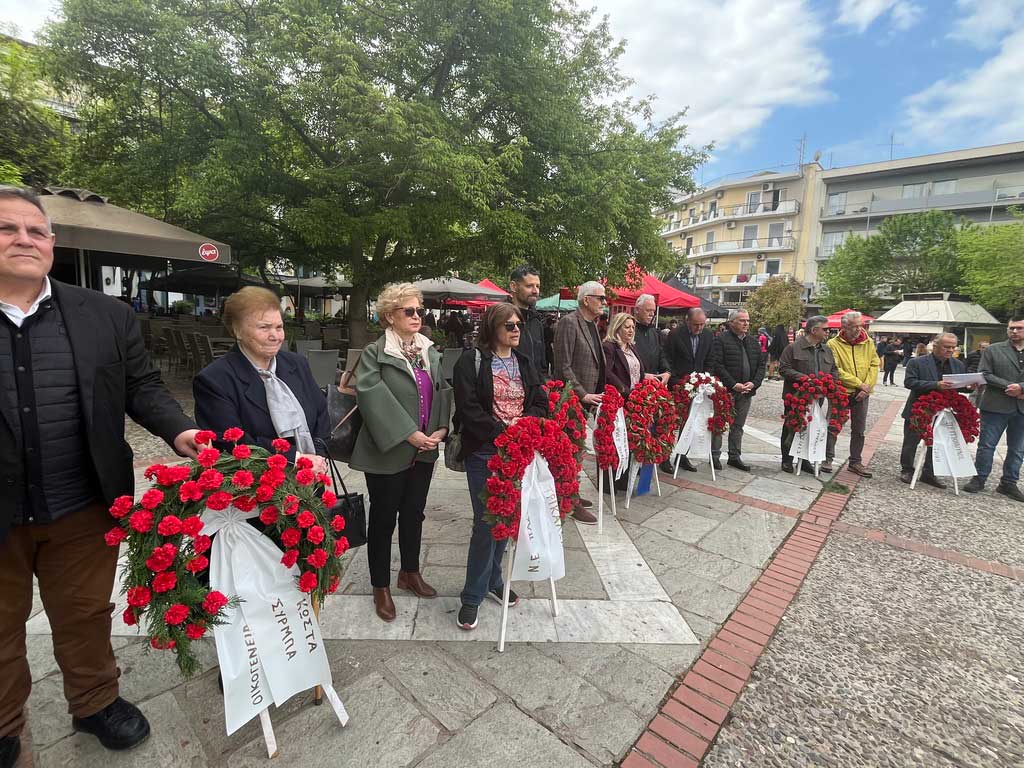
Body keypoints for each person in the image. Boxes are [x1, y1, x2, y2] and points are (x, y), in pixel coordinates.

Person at [0, 186, 201, 763]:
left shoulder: (104, 315)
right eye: (8, 230)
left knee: (86, 612)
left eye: (36, 231)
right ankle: (3, 723)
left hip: (82, 502)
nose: (24, 240)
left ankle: (94, 702)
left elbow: (141, 387)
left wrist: (179, 432)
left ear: (52, 244)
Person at [349, 283, 452, 622]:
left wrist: (439, 429)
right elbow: (371, 394)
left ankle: (409, 572)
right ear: (389, 316)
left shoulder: (427, 350)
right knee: (383, 518)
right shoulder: (375, 353)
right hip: (387, 450)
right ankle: (381, 586)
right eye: (409, 311)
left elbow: (442, 389)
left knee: (413, 513)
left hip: (423, 451)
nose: (416, 317)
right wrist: (410, 434)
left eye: (419, 311)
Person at [452, 303, 548, 630]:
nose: (517, 329)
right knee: (486, 521)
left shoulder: (523, 361)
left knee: (506, 518)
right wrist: (501, 431)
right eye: (510, 325)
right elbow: (467, 408)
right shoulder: (472, 361)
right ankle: (472, 596)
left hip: (518, 450)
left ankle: (493, 579)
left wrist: (524, 424)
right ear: (493, 328)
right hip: (485, 449)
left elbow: (540, 401)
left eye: (518, 324)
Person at [193, 287, 329, 473]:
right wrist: (297, 460)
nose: (275, 336)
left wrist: (318, 458)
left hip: (312, 478)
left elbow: (321, 412)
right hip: (258, 488)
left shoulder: (297, 364)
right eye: (264, 327)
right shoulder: (214, 380)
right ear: (237, 330)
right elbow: (230, 442)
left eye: (279, 327)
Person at [552, 281, 608, 524]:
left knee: (576, 450)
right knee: (570, 451)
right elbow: (562, 365)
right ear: (586, 299)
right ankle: (569, 500)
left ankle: (570, 493)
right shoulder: (569, 322)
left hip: (586, 401)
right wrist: (583, 393)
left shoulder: (593, 325)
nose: (604, 302)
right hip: (572, 399)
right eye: (601, 298)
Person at [964, 319, 1024, 501]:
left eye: (1019, 328)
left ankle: (1009, 483)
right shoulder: (993, 349)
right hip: (995, 405)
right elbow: (985, 374)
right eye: (1011, 328)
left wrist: (1021, 388)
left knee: (1018, 449)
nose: (1014, 331)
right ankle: (979, 478)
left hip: (1021, 407)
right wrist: (1010, 387)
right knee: (987, 445)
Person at [899, 333, 965, 488]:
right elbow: (910, 382)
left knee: (937, 442)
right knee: (911, 441)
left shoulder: (958, 364)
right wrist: (936, 385)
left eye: (953, 347)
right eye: (946, 347)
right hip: (919, 408)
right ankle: (907, 469)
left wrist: (969, 386)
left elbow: (959, 386)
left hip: (943, 410)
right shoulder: (917, 362)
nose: (950, 350)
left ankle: (929, 473)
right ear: (935, 346)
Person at [778, 316, 839, 474]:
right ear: (814, 330)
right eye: (825, 329)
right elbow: (784, 369)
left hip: (817, 397)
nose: (828, 332)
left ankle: (804, 459)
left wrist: (829, 384)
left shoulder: (827, 350)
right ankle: (787, 460)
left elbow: (833, 370)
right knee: (791, 426)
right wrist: (805, 379)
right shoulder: (793, 348)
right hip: (796, 396)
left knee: (812, 427)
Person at [708, 309, 765, 471]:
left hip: (747, 391)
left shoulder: (753, 342)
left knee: (738, 425)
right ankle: (714, 455)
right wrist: (733, 384)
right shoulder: (721, 340)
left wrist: (754, 383)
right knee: (719, 424)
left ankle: (734, 456)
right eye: (742, 320)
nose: (746, 323)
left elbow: (761, 365)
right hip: (727, 391)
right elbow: (718, 365)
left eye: (747, 320)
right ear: (731, 322)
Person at [827, 311, 879, 477]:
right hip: (842, 391)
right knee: (834, 425)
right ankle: (827, 458)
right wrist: (858, 384)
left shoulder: (868, 342)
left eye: (860, 325)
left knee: (859, 429)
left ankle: (855, 461)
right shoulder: (833, 344)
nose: (858, 329)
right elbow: (835, 369)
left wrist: (867, 388)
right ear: (844, 327)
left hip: (862, 394)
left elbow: (874, 364)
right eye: (854, 326)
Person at [665, 307, 714, 472]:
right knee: (671, 422)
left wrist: (705, 378)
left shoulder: (707, 335)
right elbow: (667, 359)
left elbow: (709, 358)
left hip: (697, 386)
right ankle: (665, 458)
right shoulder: (675, 334)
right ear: (687, 321)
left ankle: (682, 456)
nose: (699, 328)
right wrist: (676, 381)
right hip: (677, 384)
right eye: (695, 325)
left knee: (690, 422)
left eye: (702, 325)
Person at [508, 264, 547, 376]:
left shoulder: (536, 322)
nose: (535, 291)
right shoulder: (500, 319)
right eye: (529, 286)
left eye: (538, 286)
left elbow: (541, 361)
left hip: (535, 388)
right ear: (514, 286)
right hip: (509, 387)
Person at [603, 312, 646, 396]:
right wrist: (627, 392)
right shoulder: (609, 347)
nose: (631, 330)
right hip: (620, 397)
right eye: (627, 327)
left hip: (635, 397)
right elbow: (607, 373)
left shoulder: (632, 347)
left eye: (633, 327)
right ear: (617, 328)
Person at [632, 294, 670, 385]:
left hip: (652, 384)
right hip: (633, 384)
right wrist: (642, 375)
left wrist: (667, 372)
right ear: (637, 310)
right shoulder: (628, 330)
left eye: (653, 311)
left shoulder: (654, 332)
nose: (652, 314)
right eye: (648, 310)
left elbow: (660, 354)